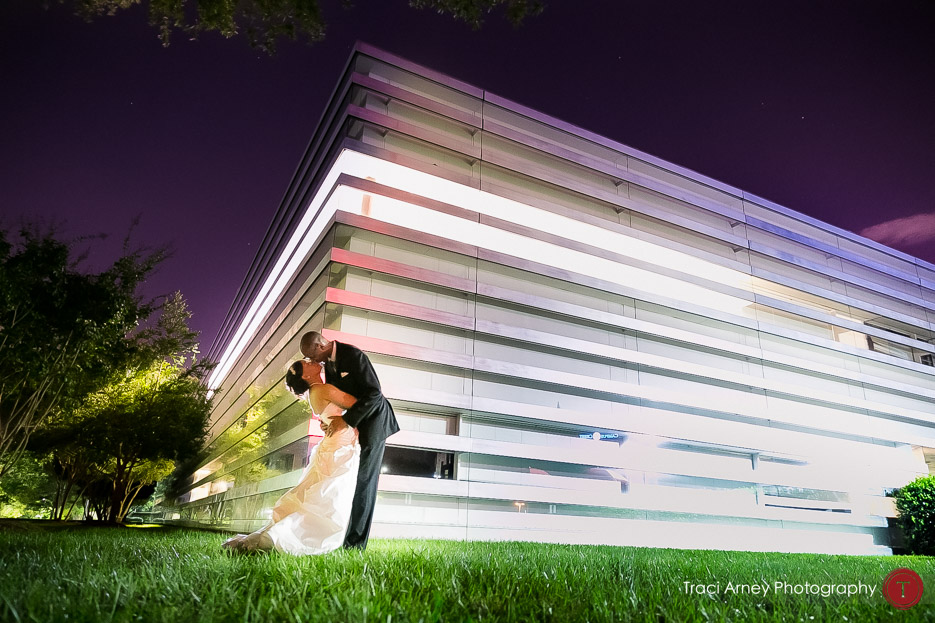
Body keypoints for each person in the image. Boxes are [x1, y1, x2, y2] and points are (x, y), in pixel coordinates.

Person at [222, 359, 361, 555]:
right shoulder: (322, 390)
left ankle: (264, 537)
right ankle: (284, 536)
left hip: (335, 444)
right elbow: (357, 403)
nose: (311, 361)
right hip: (341, 446)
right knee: (328, 497)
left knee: (320, 493)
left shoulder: (315, 393)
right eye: (306, 362)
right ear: (305, 375)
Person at [300, 331, 399, 550]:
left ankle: (355, 545)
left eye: (312, 357)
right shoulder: (328, 364)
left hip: (374, 424)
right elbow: (340, 399)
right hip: (353, 427)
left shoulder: (353, 356)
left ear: (319, 345)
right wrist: (332, 420)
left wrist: (346, 421)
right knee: (353, 482)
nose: (313, 362)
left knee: (365, 483)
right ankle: (344, 537)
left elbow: (375, 394)